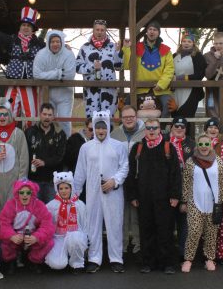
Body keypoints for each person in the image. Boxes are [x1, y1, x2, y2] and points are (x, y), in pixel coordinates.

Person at [74, 110, 129, 273]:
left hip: (113, 193)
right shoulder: (85, 148)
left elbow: (124, 167)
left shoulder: (118, 146)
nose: (101, 131)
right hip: (93, 193)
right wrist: (75, 193)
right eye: (97, 128)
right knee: (93, 225)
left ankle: (116, 258)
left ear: (108, 127)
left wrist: (114, 181)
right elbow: (80, 172)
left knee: (115, 224)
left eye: (103, 127)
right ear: (93, 128)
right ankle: (94, 258)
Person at [125, 118, 181, 274]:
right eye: (148, 128)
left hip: (165, 198)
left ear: (159, 129)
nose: (151, 131)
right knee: (146, 231)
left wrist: (175, 195)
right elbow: (131, 173)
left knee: (165, 231)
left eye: (154, 128)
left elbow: (176, 173)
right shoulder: (138, 148)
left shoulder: (168, 147)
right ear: (145, 130)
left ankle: (167, 263)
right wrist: (132, 196)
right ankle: (148, 262)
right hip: (144, 198)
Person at [0, 0, 45, 123]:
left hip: (30, 85)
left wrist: (63, 47)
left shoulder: (39, 44)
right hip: (12, 84)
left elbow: (53, 51)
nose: (25, 27)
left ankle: (29, 136)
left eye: (28, 25)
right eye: (23, 25)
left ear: (33, 29)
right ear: (20, 27)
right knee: (7, 114)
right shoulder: (11, 40)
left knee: (31, 118)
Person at [181, 134, 223, 272]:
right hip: (195, 202)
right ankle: (188, 259)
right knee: (194, 231)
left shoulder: (218, 161)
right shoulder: (191, 161)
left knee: (211, 233)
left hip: (213, 204)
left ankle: (209, 259)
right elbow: (186, 183)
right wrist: (184, 201)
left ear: (210, 145)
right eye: (201, 144)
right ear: (197, 145)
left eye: (206, 144)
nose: (204, 147)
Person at [0, 178, 55, 274]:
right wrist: (11, 236)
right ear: (17, 193)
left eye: (28, 192)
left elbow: (47, 225)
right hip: (16, 236)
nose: (25, 195)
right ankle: (11, 261)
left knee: (48, 242)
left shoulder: (39, 205)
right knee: (5, 243)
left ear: (32, 193)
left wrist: (36, 237)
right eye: (21, 192)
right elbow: (3, 224)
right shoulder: (10, 205)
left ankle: (33, 261)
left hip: (32, 236)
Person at [111, 105, 145, 255]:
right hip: (119, 180)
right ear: (121, 119)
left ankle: (138, 247)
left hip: (138, 181)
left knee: (137, 216)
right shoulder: (114, 134)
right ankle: (122, 248)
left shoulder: (145, 132)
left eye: (131, 116)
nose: (129, 119)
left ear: (136, 117)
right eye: (125, 117)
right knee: (121, 216)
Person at [122, 21, 174, 118]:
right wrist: (127, 49)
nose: (152, 32)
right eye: (150, 29)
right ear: (146, 31)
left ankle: (163, 127)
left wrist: (162, 84)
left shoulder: (166, 50)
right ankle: (132, 126)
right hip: (139, 89)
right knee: (128, 104)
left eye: (155, 30)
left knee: (167, 104)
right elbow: (128, 66)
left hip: (160, 90)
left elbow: (169, 69)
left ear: (158, 33)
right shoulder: (136, 47)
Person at [76, 19, 123, 118]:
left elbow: (118, 67)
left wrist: (118, 53)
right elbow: (77, 67)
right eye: (97, 30)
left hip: (109, 91)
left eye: (102, 30)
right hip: (91, 92)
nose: (99, 32)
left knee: (108, 120)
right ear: (93, 30)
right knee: (91, 120)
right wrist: (92, 67)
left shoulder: (113, 46)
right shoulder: (84, 47)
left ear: (105, 31)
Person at [34, 30, 76, 137]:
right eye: (52, 42)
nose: (55, 44)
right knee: (47, 119)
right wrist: (58, 73)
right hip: (47, 94)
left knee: (64, 120)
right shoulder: (41, 55)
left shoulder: (69, 55)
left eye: (58, 41)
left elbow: (69, 74)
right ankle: (48, 141)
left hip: (65, 94)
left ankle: (67, 141)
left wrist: (46, 75)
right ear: (48, 42)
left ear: (62, 42)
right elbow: (37, 74)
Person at [204, 117, 223, 264]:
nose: (213, 130)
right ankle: (208, 254)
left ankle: (222, 254)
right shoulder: (200, 144)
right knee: (207, 223)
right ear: (205, 130)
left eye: (215, 127)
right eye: (210, 127)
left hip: (222, 189)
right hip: (205, 190)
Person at [45, 171, 88, 273]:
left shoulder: (79, 204)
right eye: (61, 188)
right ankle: (64, 256)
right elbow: (45, 224)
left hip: (75, 235)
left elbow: (86, 225)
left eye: (66, 188)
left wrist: (86, 242)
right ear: (57, 189)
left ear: (71, 188)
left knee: (75, 239)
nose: (64, 191)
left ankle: (77, 263)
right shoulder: (51, 205)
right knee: (57, 265)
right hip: (58, 237)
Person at [166, 116, 195, 261]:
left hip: (185, 187)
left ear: (185, 129)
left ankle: (183, 254)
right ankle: (168, 253)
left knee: (184, 223)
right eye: (176, 126)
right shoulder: (164, 141)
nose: (179, 128)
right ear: (171, 127)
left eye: (182, 126)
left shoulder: (191, 143)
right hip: (168, 187)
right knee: (167, 223)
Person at [25, 102, 67, 203]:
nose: (47, 117)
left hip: (52, 181)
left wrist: (45, 162)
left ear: (53, 117)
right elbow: (24, 155)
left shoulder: (60, 134)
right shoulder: (29, 132)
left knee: (51, 210)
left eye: (49, 115)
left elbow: (60, 156)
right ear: (40, 115)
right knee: (34, 209)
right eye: (44, 114)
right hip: (33, 180)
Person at [169, 29, 206, 119]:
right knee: (175, 117)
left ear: (193, 43)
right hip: (175, 91)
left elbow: (199, 75)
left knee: (187, 117)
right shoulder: (174, 56)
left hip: (191, 91)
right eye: (184, 41)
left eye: (189, 41)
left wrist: (179, 78)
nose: (186, 43)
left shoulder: (198, 56)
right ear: (181, 43)